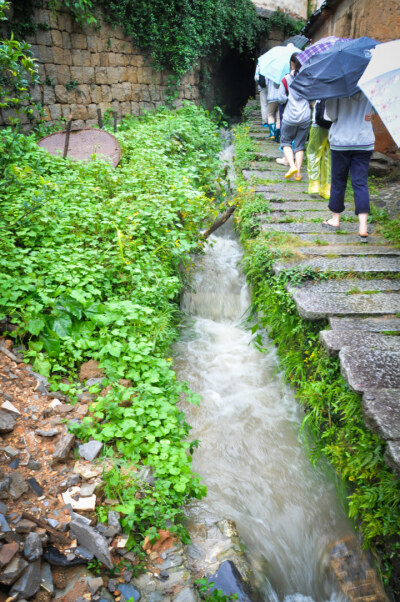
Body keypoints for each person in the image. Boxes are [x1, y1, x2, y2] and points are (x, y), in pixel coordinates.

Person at [322, 92, 375, 242]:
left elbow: (331, 116)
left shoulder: (337, 87)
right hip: (364, 141)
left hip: (341, 142)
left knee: (338, 181)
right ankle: (363, 227)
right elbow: (373, 111)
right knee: (360, 183)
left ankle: (335, 219)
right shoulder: (368, 86)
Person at [277, 53, 311, 181]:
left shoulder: (286, 79)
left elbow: (280, 98)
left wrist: (287, 98)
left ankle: (292, 166)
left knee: (286, 142)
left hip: (290, 117)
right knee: (300, 145)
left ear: (292, 64)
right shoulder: (308, 78)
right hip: (305, 117)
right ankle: (298, 174)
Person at [307, 99, 331, 199]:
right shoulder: (339, 85)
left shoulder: (318, 84)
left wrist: (313, 104)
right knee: (329, 157)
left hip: (317, 123)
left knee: (313, 153)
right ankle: (327, 188)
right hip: (333, 125)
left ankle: (314, 184)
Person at [254, 49, 269, 128]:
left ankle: (265, 122)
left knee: (264, 104)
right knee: (271, 103)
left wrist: (259, 82)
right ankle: (272, 122)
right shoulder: (272, 62)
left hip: (262, 87)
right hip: (271, 87)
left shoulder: (260, 63)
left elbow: (256, 77)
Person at [266, 78, 280, 142]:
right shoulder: (282, 74)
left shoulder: (269, 74)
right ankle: (277, 136)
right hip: (280, 97)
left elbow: (266, 84)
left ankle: (272, 134)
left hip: (271, 97)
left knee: (270, 115)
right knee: (278, 117)